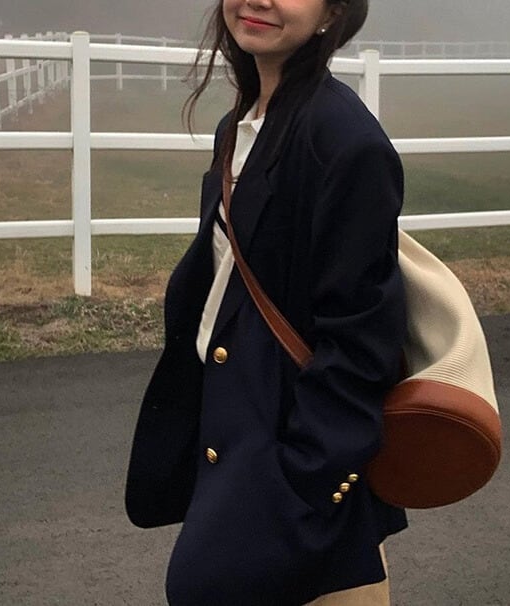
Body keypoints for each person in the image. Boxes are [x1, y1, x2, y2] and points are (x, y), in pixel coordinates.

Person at [125, 0, 408, 604]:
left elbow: (360, 345)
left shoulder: (344, 141)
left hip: (288, 463)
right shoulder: (243, 124)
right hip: (237, 432)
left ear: (333, 13)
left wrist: (299, 487)